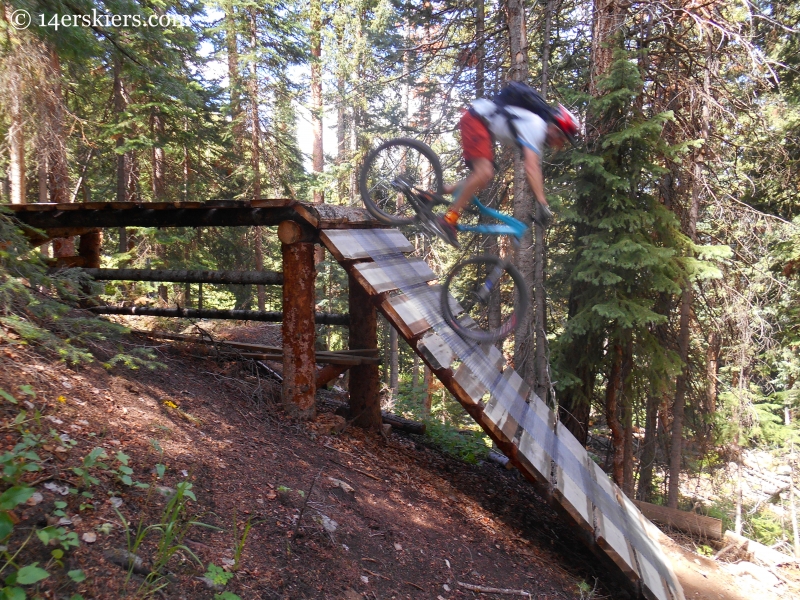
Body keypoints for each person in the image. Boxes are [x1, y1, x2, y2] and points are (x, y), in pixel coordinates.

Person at [436, 82, 579, 247]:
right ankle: (449, 219)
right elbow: (532, 168)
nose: (559, 145)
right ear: (556, 129)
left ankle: (430, 195)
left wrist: (541, 201)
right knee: (484, 173)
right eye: (562, 140)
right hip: (476, 120)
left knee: (481, 179)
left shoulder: (535, 126)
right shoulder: (537, 126)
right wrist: (542, 202)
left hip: (480, 123)